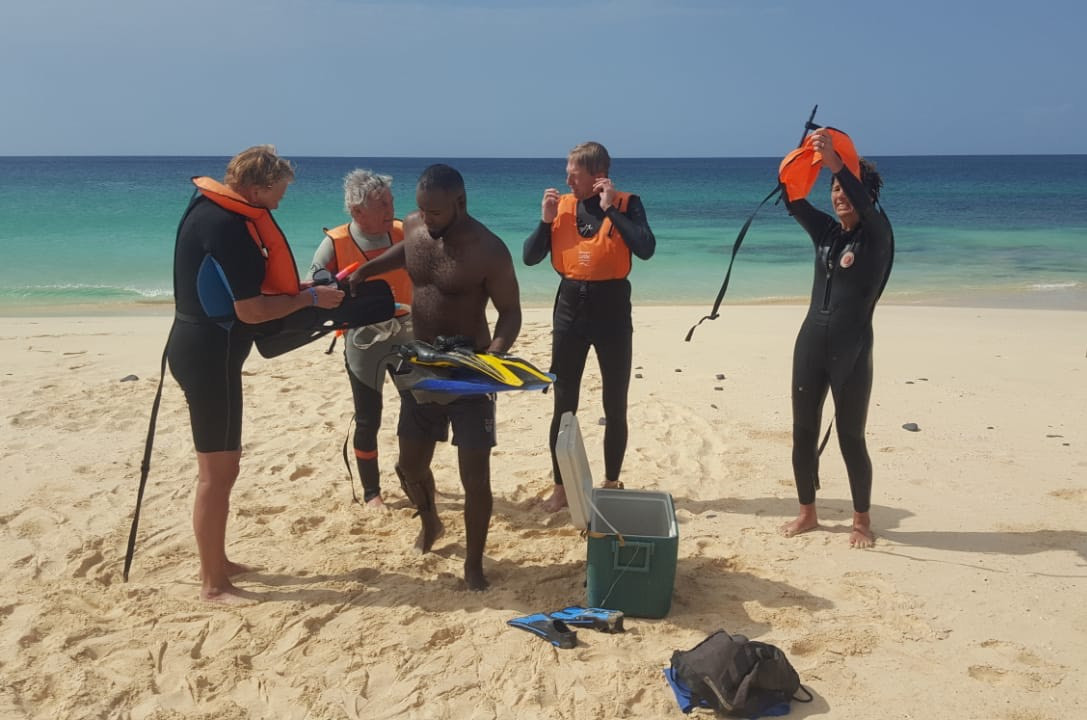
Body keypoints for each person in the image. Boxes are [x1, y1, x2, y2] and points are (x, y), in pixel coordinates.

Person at [168, 145, 345, 603]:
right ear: (257, 187)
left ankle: (218, 562)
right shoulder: (228, 227)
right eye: (281, 190)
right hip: (210, 356)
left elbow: (240, 291)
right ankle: (213, 584)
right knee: (217, 472)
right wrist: (309, 301)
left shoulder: (211, 211)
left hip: (204, 348)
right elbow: (249, 310)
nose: (283, 199)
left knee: (225, 466)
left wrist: (304, 289)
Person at [348, 163, 522, 590]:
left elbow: (511, 314)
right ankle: (431, 522)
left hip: (468, 372)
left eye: (436, 213)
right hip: (422, 367)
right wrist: (368, 269)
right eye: (421, 211)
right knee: (409, 466)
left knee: (475, 477)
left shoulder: (489, 249)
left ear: (460, 204)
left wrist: (492, 360)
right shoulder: (414, 226)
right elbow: (407, 251)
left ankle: (474, 564)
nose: (426, 220)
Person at [522, 141, 656, 512]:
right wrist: (545, 220)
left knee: (615, 402)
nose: (566, 178)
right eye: (566, 171)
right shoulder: (561, 207)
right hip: (569, 309)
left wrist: (611, 208)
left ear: (597, 176)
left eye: (573, 173)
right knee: (564, 403)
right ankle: (561, 487)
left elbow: (645, 248)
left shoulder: (628, 204)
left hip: (612, 310)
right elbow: (530, 257)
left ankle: (611, 481)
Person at [779, 129, 894, 548]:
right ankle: (807, 512)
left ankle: (861, 519)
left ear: (863, 192)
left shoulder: (877, 234)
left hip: (852, 350)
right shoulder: (827, 233)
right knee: (802, 432)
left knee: (850, 437)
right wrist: (796, 163)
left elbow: (863, 203)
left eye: (846, 187)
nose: (839, 193)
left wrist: (837, 165)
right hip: (810, 343)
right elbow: (792, 200)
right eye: (833, 187)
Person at [308, 170, 413, 509]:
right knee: (368, 417)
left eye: (391, 201)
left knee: (417, 409)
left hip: (407, 333)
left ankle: (413, 477)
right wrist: (324, 285)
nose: (390, 209)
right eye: (382, 204)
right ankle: (372, 493)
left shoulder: (403, 233)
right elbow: (314, 280)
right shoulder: (336, 241)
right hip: (363, 341)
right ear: (356, 211)